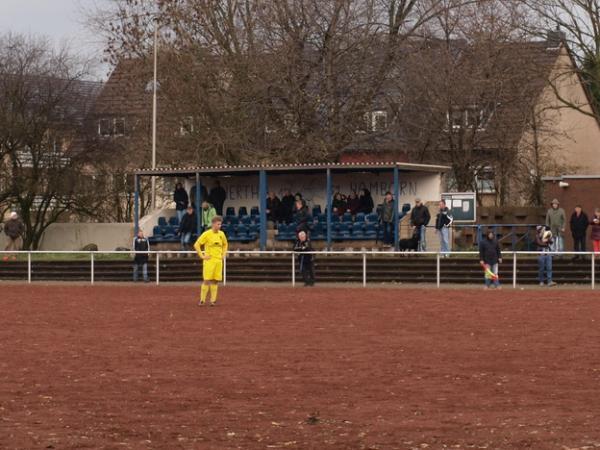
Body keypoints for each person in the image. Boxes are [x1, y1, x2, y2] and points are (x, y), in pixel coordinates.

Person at [193, 215, 228, 306]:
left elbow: (225, 244)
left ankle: (213, 301)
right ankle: (202, 300)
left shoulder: (221, 234)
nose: (220, 226)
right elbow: (196, 244)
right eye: (218, 224)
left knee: (215, 281)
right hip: (209, 261)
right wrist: (202, 256)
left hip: (218, 261)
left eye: (220, 224)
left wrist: (223, 254)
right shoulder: (206, 234)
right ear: (213, 224)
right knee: (206, 280)